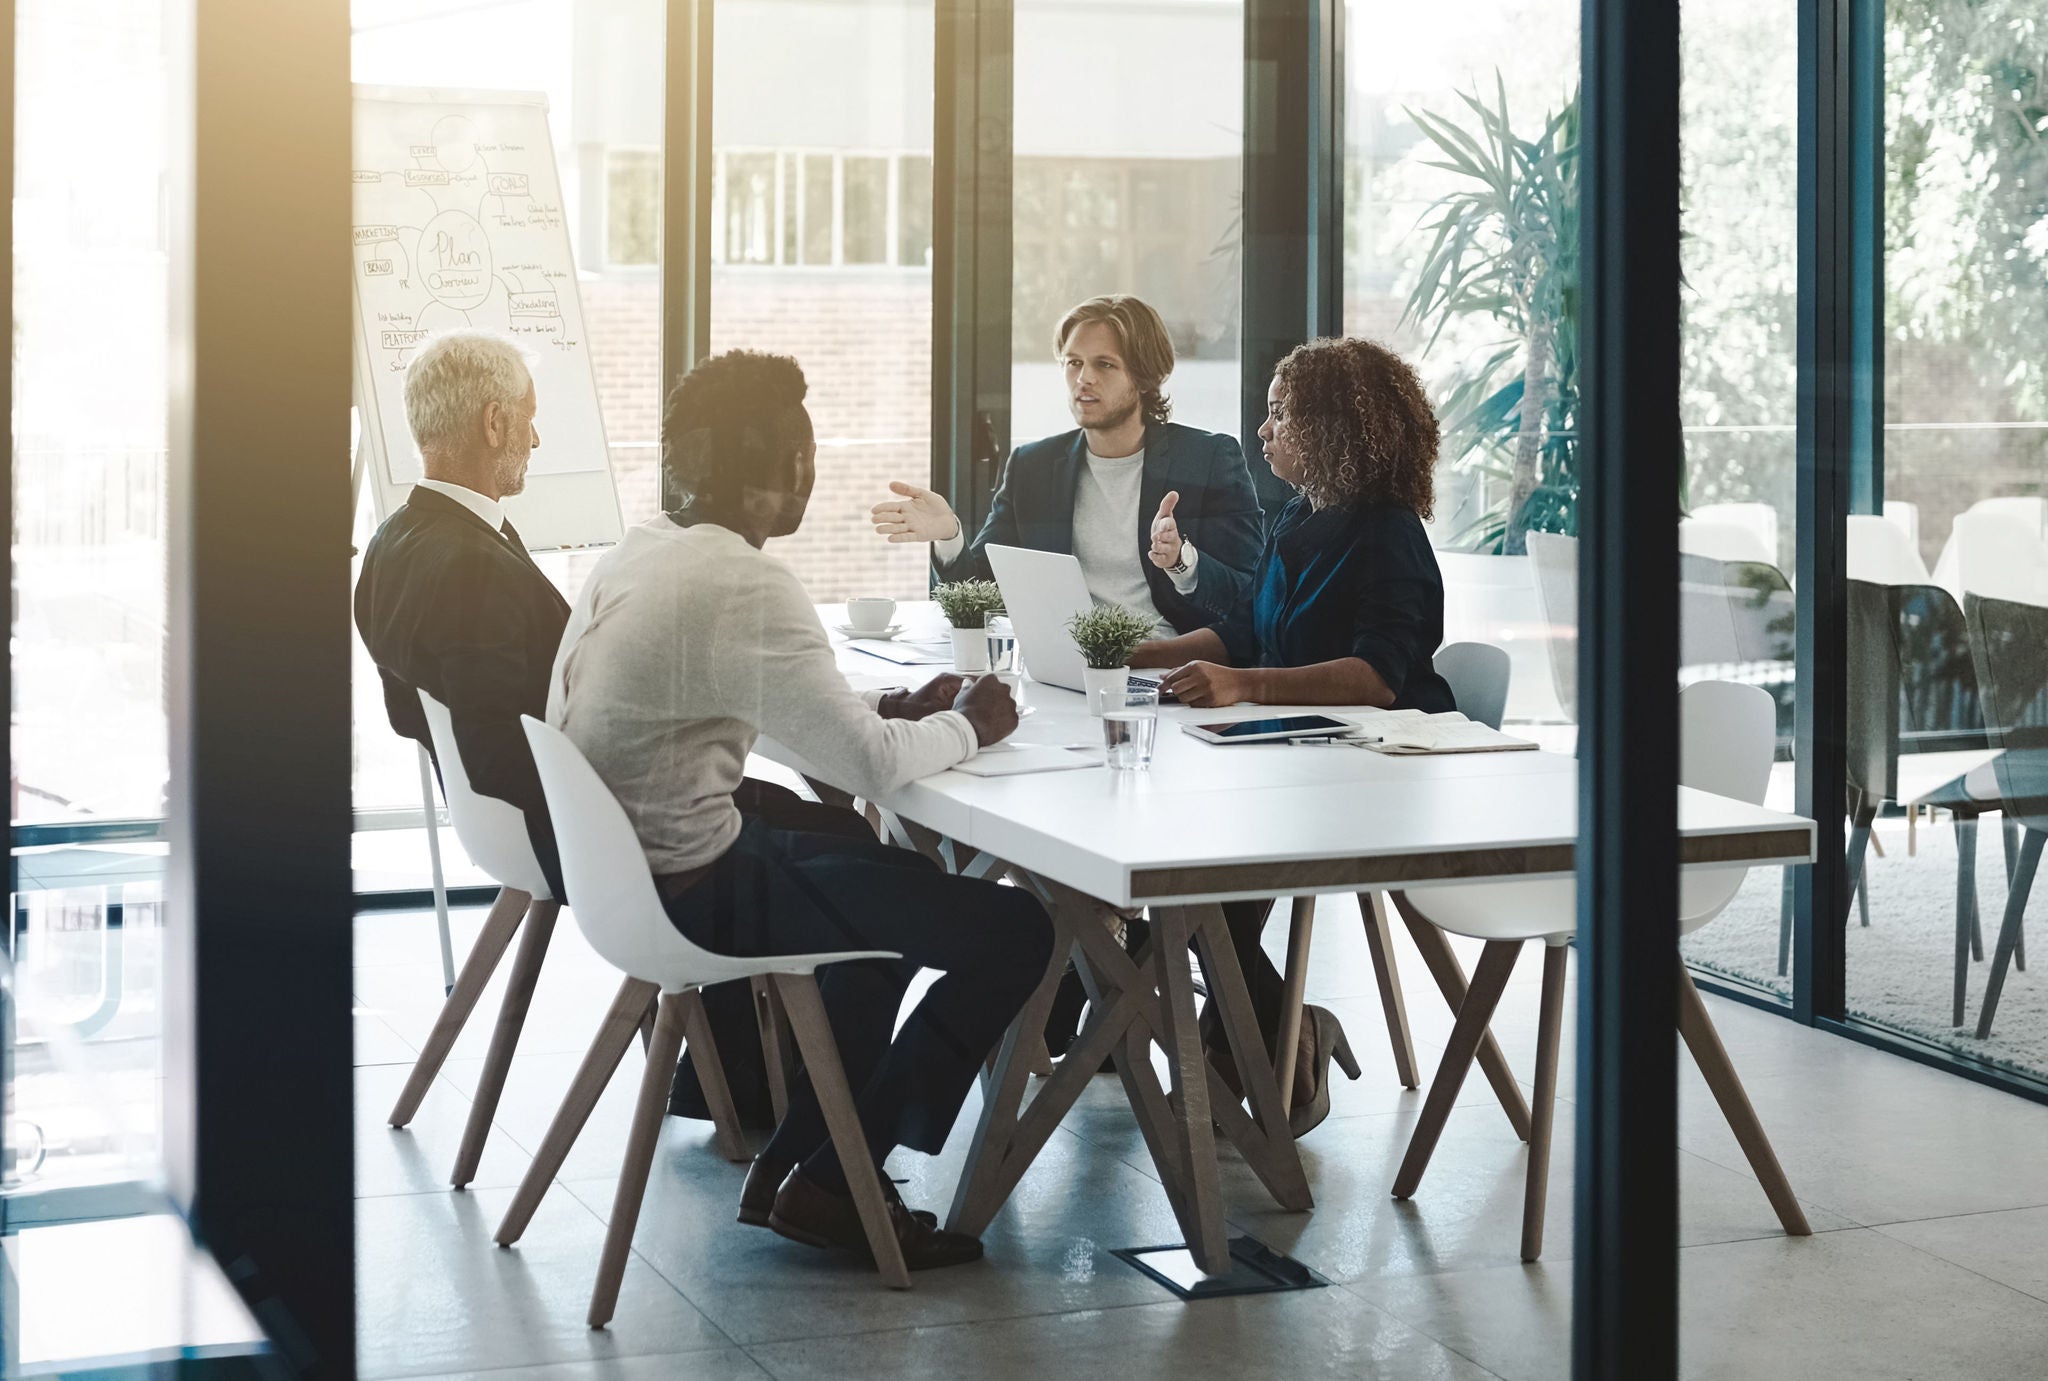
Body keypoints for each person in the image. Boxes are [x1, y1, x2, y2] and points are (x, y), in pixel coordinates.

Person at [549, 349, 1054, 1270]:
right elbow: (871, 766)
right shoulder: (742, 581)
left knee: (897, 881)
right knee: (1016, 925)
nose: (809, 470)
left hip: (631, 873)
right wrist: (972, 724)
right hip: (693, 892)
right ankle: (836, 1178)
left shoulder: (648, 547)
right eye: (798, 449)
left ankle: (815, 1168)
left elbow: (771, 705)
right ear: (764, 466)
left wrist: (893, 709)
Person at [1129, 336, 1456, 1137]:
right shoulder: (1300, 516)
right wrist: (1141, 654)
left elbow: (1377, 676)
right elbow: (1245, 631)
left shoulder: (1387, 534)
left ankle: (1264, 1042)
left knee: (1211, 896)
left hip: (1377, 777)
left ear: (1336, 429)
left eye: (1282, 415)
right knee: (1200, 886)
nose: (1264, 430)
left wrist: (1245, 685)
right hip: (1297, 756)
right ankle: (1277, 1036)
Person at [869, 293, 1263, 638]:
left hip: (1169, 666)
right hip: (1063, 664)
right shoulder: (1033, 467)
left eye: (1104, 365)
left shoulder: (1209, 459)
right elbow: (982, 593)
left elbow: (1248, 594)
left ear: (1144, 377)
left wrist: (1182, 561)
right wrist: (950, 536)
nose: (1083, 379)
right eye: (1073, 363)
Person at [355, 330, 570, 894]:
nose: (537, 438)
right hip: (574, 834)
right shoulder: (473, 567)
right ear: (495, 423)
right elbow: (497, 750)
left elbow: (415, 718)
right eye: (529, 418)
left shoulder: (391, 542)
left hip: (498, 828)